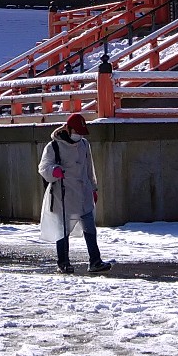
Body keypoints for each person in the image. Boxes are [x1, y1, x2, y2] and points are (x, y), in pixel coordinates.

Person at [38, 111, 110, 275]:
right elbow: (43, 167)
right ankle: (63, 263)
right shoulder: (53, 146)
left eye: (81, 133)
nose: (79, 135)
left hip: (84, 193)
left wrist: (93, 188)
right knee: (62, 231)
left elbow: (89, 169)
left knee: (90, 228)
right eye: (76, 132)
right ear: (68, 129)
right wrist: (54, 171)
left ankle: (95, 261)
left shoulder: (84, 144)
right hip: (63, 194)